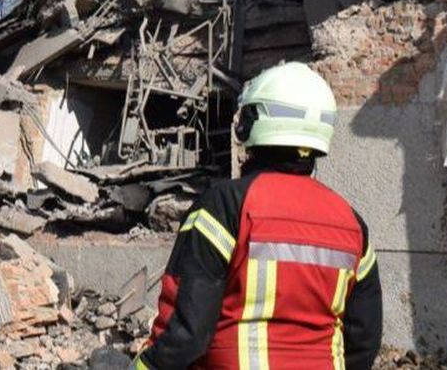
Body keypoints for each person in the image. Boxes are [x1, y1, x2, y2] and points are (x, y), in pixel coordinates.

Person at [132, 62, 382, 370]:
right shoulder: (352, 224)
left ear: (253, 123)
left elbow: (186, 334)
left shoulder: (225, 206)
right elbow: (364, 340)